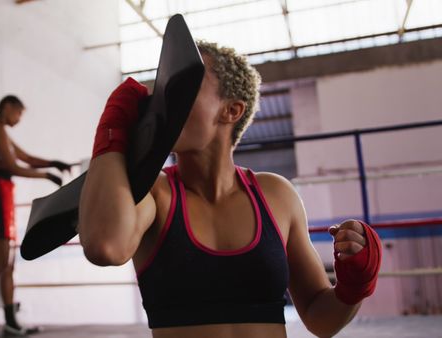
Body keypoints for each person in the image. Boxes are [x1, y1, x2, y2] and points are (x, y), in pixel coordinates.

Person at [78, 41, 382, 338]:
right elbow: (106, 247)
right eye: (166, 88)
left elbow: (321, 320)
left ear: (231, 110)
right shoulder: (155, 193)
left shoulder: (276, 194)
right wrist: (112, 129)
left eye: (187, 86)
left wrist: (354, 287)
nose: (167, 100)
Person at [0, 95, 71, 338]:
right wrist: (47, 176)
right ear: (7, 107)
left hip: (2, 193)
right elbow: (12, 166)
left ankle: (10, 322)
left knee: (7, 263)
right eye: (18, 113)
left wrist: (53, 162)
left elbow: (25, 158)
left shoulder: (2, 134)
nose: (19, 118)